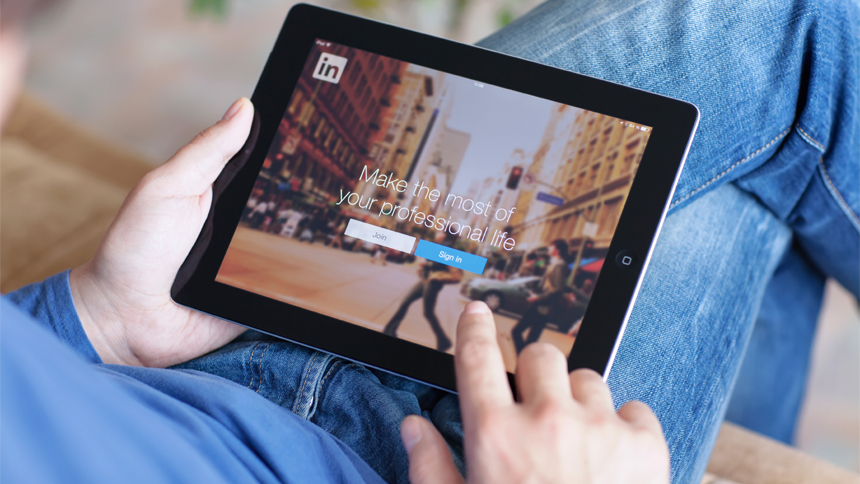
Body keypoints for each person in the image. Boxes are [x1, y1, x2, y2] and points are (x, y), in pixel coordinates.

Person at [1, 0, 857, 483]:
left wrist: (93, 318)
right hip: (445, 466)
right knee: (788, 60)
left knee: (718, 128)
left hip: (196, 354)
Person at [383, 256, 462, 351]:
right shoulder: (435, 245)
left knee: (428, 313)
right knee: (405, 302)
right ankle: (389, 330)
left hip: (433, 282)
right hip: (424, 280)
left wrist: (429, 264)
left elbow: (445, 265)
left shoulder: (448, 246)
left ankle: (444, 341)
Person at [511, 239, 572, 354]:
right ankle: (523, 358)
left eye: (551, 246)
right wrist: (535, 294)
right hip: (539, 306)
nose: (548, 248)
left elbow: (558, 289)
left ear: (557, 250)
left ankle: (523, 358)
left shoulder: (560, 265)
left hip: (544, 308)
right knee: (522, 335)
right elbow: (546, 285)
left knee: (525, 337)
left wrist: (538, 298)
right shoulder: (553, 263)